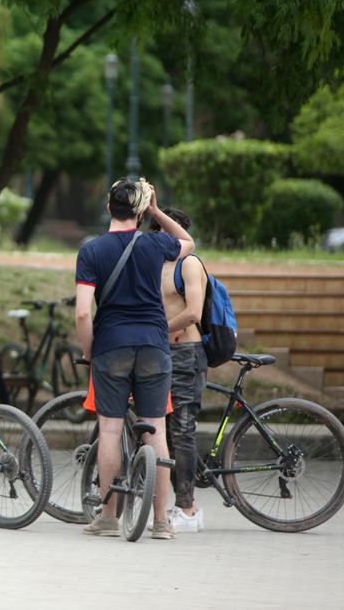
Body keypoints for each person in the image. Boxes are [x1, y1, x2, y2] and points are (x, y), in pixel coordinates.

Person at [74, 178, 194, 540]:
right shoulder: (156, 242)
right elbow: (189, 242)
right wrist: (158, 211)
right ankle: (161, 521)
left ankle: (109, 517)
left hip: (112, 345)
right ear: (140, 213)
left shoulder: (92, 250)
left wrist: (88, 350)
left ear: (109, 208)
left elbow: (82, 313)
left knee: (110, 429)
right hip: (155, 345)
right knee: (155, 429)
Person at [151, 207, 208, 534]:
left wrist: (158, 329)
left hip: (186, 354)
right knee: (164, 428)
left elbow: (193, 313)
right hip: (162, 352)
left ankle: (187, 508)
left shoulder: (188, 264)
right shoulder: (156, 264)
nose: (157, 236)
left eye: (162, 230)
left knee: (181, 430)